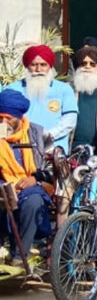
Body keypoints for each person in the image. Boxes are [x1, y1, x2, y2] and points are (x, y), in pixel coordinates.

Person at [0, 90, 51, 266]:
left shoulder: (38, 134)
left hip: (30, 187)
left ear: (19, 117)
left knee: (34, 201)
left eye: (8, 118)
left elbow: (52, 166)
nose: (3, 122)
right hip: (3, 187)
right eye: (0, 118)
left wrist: (35, 178)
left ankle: (20, 255)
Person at [6, 45, 77, 153]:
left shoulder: (64, 89)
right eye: (33, 65)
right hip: (21, 147)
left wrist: (48, 135)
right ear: (27, 66)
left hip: (53, 150)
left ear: (50, 66)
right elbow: (5, 120)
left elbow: (70, 120)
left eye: (43, 65)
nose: (38, 69)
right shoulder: (12, 89)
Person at [70, 46, 97, 152]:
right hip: (71, 148)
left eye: (92, 64)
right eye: (83, 64)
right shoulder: (68, 89)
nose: (87, 67)